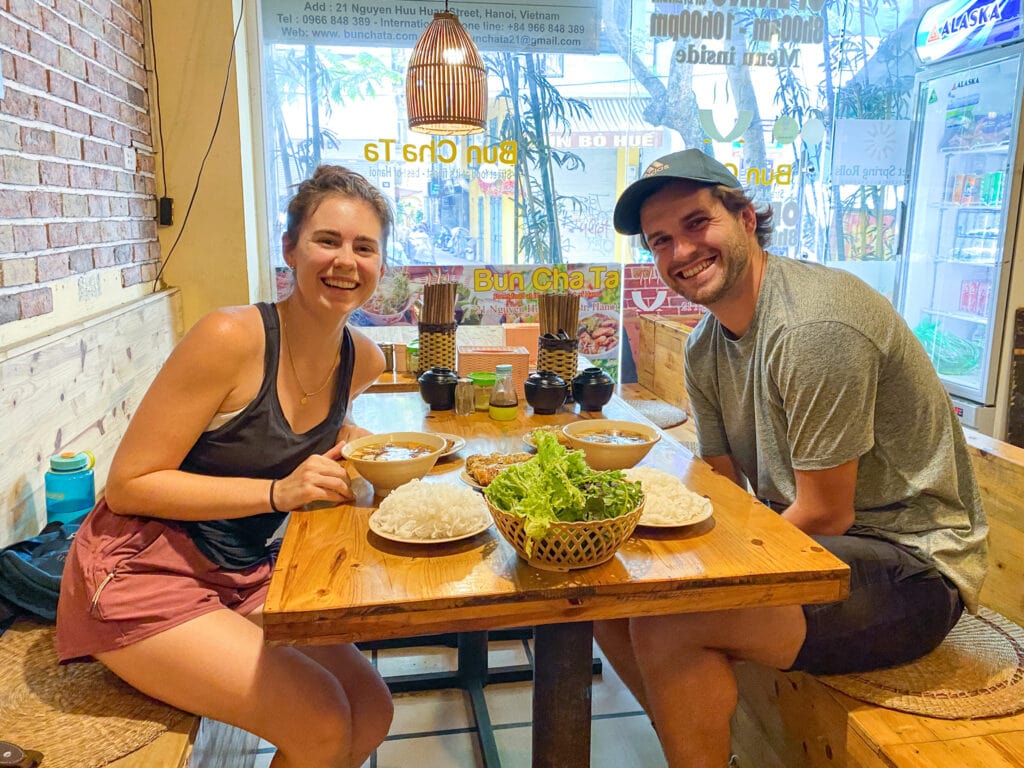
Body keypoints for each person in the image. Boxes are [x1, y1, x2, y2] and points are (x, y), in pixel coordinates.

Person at [599, 149, 988, 768]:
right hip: (813, 553)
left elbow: (826, 514)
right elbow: (724, 496)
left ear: (747, 218)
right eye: (660, 240)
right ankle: (693, 738)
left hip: (912, 567)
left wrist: (696, 578)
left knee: (671, 618)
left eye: (698, 224)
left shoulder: (813, 327)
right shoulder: (705, 348)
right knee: (607, 586)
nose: (680, 253)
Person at [56, 166, 395, 768]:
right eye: (327, 240)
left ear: (380, 265)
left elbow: (288, 431)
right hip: (144, 572)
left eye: (364, 246)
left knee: (371, 709)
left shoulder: (361, 359)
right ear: (290, 249)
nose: (346, 260)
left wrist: (349, 440)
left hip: (241, 572)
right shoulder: (229, 337)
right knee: (319, 717)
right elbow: (130, 484)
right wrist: (276, 493)